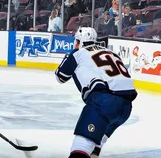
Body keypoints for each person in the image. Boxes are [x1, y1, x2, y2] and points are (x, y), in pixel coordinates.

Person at [54, 27, 137, 158]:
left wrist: (71, 54)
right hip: (126, 107)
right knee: (94, 148)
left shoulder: (78, 53)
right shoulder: (110, 52)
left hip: (103, 103)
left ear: (80, 41)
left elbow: (60, 77)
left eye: (76, 41)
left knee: (80, 147)